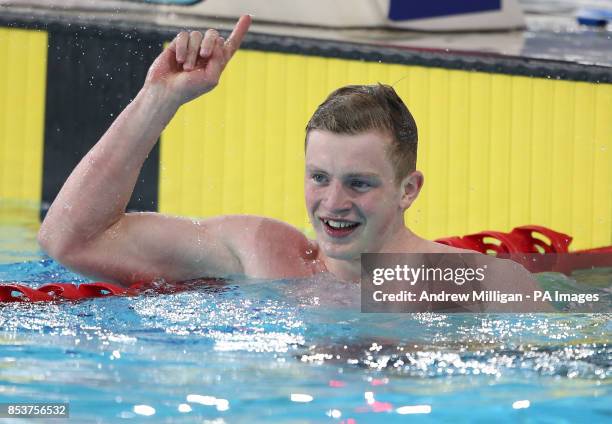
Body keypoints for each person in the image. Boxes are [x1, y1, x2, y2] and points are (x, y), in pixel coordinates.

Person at [38, 16, 549, 311]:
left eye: (360, 184)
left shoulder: (478, 284)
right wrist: (159, 98)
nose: (333, 204)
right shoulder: (260, 254)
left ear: (409, 189)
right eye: (320, 178)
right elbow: (70, 240)